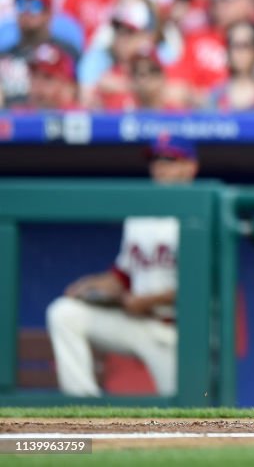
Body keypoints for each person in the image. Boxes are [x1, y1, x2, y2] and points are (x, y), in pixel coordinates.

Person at [45, 135, 197, 397]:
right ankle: (82, 404)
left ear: (190, 167)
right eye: (156, 159)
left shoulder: (199, 213)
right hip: (135, 323)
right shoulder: (140, 213)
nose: (160, 166)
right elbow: (123, 276)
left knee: (187, 417)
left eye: (170, 159)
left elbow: (201, 284)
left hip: (177, 333)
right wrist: (90, 285)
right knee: (65, 313)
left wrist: (148, 300)